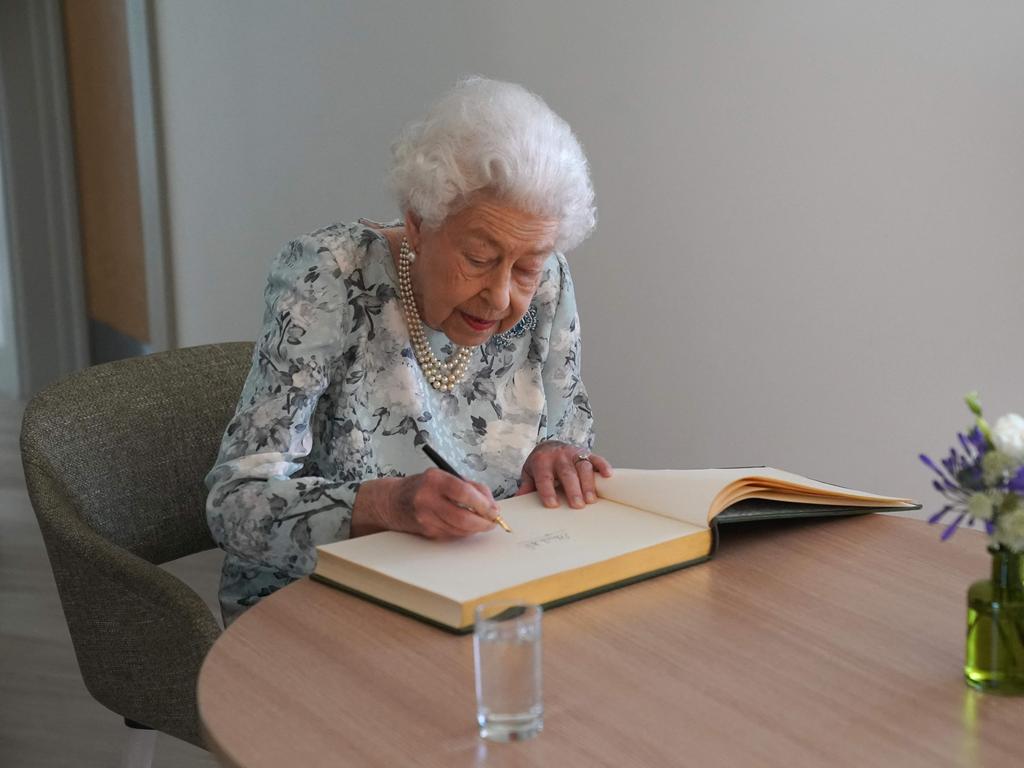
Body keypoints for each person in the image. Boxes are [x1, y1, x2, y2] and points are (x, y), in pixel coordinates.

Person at [205, 77, 612, 625]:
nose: (500, 295)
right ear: (419, 223)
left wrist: (558, 457)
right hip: (323, 603)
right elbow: (235, 502)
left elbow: (567, 431)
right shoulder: (329, 276)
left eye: (526, 267)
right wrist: (385, 506)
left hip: (485, 592)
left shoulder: (548, 281)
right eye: (478, 257)